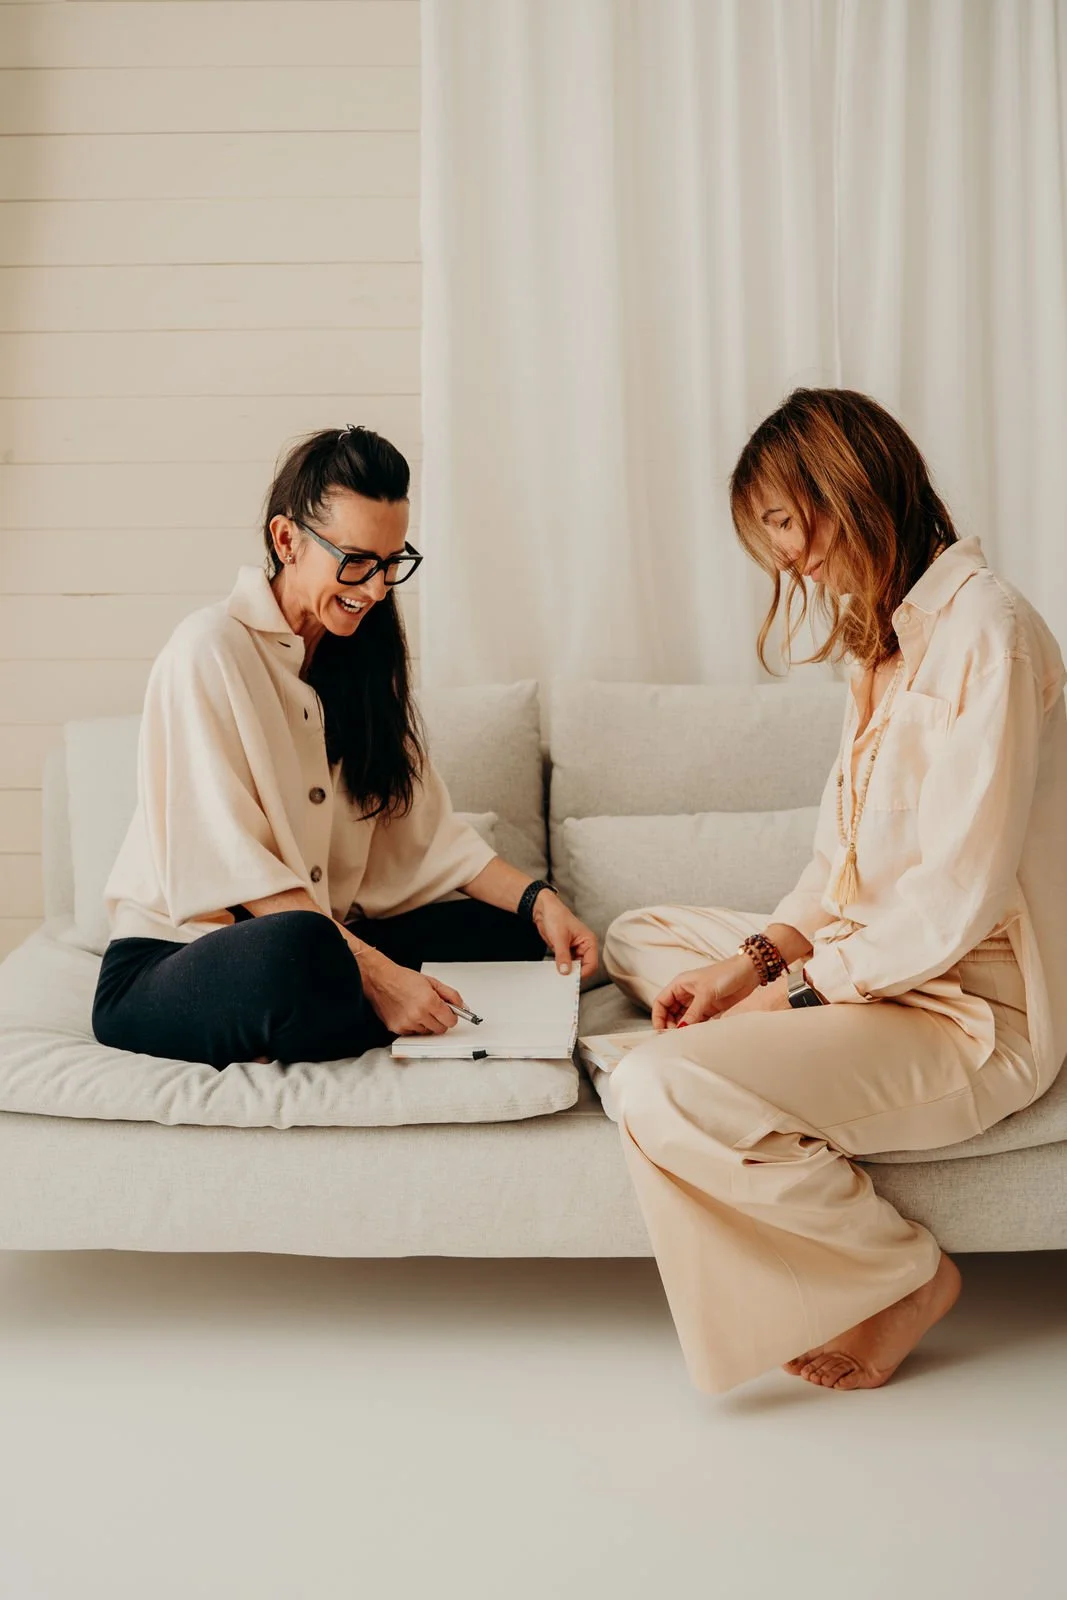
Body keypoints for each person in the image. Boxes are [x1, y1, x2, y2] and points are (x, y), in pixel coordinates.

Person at [603, 388, 1067, 1394]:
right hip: (876, 962)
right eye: (766, 532)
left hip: (963, 1015)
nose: (784, 556)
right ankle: (744, 1047)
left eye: (782, 519)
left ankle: (899, 1276)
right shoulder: (886, 644)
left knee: (649, 1080)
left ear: (847, 482)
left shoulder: (989, 632)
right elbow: (836, 864)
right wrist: (747, 966)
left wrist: (798, 993)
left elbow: (954, 902)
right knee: (640, 935)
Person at [92, 425, 597, 1070]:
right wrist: (381, 975)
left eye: (393, 563)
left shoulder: (361, 658)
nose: (379, 588)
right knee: (302, 950)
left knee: (508, 935)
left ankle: (377, 1005)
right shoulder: (207, 650)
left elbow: (427, 837)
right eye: (358, 561)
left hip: (325, 940)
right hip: (178, 959)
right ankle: (380, 1003)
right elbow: (235, 872)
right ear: (287, 540)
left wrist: (540, 901)